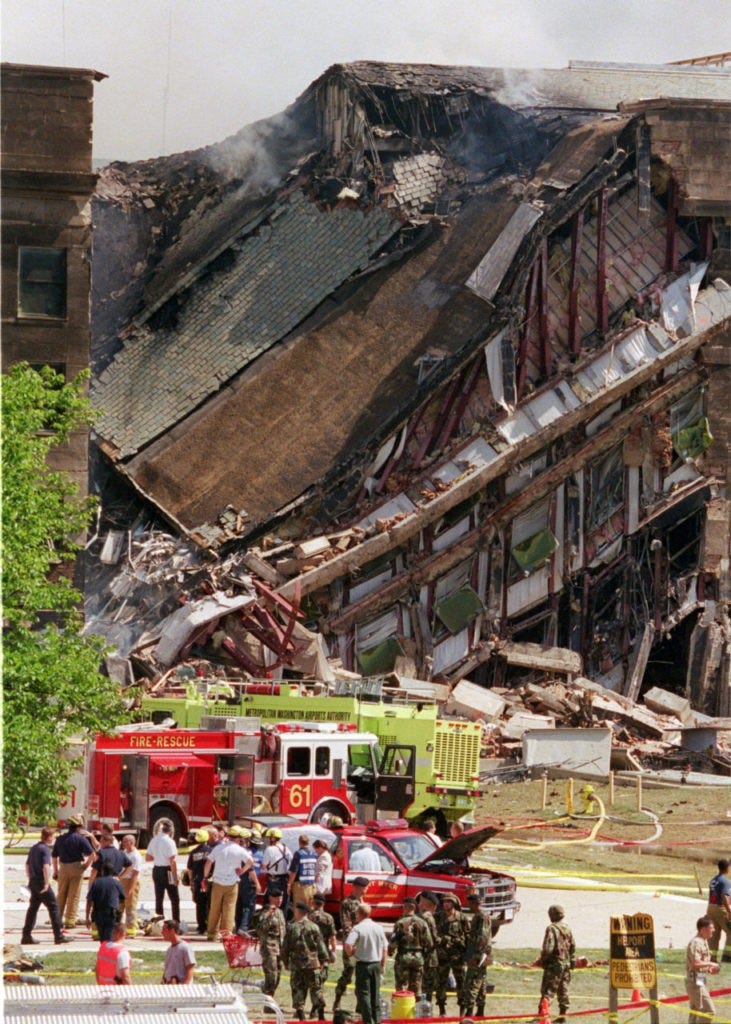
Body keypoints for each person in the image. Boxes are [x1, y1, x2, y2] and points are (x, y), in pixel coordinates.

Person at [22, 826, 73, 946]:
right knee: (54, 907)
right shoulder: (44, 849)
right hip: (41, 881)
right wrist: (46, 883)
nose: (53, 838)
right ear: (49, 837)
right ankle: (58, 936)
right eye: (53, 836)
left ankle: (26, 935)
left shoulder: (34, 848)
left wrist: (30, 879)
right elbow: (46, 866)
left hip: (34, 881)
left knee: (33, 908)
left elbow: (27, 865)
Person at [203, 825, 255, 941]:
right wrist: (242, 871)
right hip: (232, 883)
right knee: (229, 909)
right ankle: (226, 934)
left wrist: (205, 877)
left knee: (214, 908)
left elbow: (208, 862)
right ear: (239, 838)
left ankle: (212, 933)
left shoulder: (219, 848)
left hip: (217, 882)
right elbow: (251, 861)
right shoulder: (240, 850)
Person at [282, 901, 330, 1021]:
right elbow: (320, 946)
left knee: (298, 990)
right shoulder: (314, 927)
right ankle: (321, 1016)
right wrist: (324, 960)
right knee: (316, 989)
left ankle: (302, 1017)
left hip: (297, 965)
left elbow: (285, 948)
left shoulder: (292, 927)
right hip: (313, 964)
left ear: (298, 912)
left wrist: (285, 962)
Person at [344, 903, 388, 1024]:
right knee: (375, 993)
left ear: (358, 914)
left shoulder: (358, 928)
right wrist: (382, 964)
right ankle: (377, 1019)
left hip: (363, 964)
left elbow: (348, 945)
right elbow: (385, 948)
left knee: (363, 994)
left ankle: (368, 1020)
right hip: (376, 964)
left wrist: (351, 954)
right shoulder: (378, 927)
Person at [52, 815, 96, 929]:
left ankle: (56, 919)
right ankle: (70, 921)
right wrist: (85, 866)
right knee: (74, 895)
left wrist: (56, 871)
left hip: (63, 868)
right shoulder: (81, 839)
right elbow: (92, 855)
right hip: (76, 867)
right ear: (78, 827)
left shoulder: (60, 838)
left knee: (61, 894)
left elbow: (54, 856)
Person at [534, 905, 576, 1024]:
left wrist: (543, 960)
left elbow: (548, 948)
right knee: (563, 990)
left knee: (548, 990)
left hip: (554, 965)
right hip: (565, 964)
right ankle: (563, 1015)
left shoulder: (551, 929)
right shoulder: (567, 928)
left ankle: (541, 1016)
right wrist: (571, 961)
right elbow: (573, 946)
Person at [333, 876, 370, 1010]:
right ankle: (337, 1000)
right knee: (348, 973)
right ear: (357, 887)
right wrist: (351, 945)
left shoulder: (362, 902)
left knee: (361, 975)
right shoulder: (347, 903)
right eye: (364, 887)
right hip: (352, 944)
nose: (366, 889)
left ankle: (360, 1005)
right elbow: (346, 925)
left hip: (363, 944)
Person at [388, 895, 433, 998]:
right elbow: (429, 943)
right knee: (417, 986)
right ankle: (415, 1009)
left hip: (403, 957)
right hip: (418, 958)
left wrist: (390, 951)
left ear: (406, 907)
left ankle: (403, 1009)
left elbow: (393, 942)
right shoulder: (422, 923)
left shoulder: (400, 923)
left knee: (402, 985)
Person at [434, 892, 469, 1015]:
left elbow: (468, 936)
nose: (446, 904)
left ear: (454, 904)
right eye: (444, 902)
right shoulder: (437, 917)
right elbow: (433, 934)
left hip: (457, 956)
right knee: (440, 983)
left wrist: (468, 955)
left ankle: (462, 1010)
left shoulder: (461, 918)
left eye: (448, 902)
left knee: (461, 982)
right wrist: (442, 940)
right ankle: (442, 1009)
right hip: (442, 955)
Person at [460, 892, 492, 1017]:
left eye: (470, 903)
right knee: (481, 982)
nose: (469, 906)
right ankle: (480, 1010)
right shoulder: (480, 916)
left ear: (475, 903)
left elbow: (482, 938)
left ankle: (469, 1012)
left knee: (472, 982)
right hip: (480, 953)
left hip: (478, 954)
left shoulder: (481, 916)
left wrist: (476, 956)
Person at [686, 915, 720, 1024]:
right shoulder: (696, 943)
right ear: (703, 929)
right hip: (695, 982)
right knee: (709, 1011)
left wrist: (709, 969)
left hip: (700, 980)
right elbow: (695, 963)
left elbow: (700, 964)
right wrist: (711, 963)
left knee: (695, 1013)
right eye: (711, 928)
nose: (713, 930)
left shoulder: (703, 941)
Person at [255, 887, 287, 997]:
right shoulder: (265, 912)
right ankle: (267, 1000)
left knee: (277, 975)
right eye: (277, 899)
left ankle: (269, 999)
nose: (279, 901)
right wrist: (268, 915)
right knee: (271, 976)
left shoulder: (280, 912)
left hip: (279, 948)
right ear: (270, 898)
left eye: (281, 899)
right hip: (269, 948)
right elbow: (260, 928)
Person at [146, 821, 180, 922]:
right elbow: (172, 861)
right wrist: (175, 878)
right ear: (170, 831)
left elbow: (148, 858)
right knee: (174, 898)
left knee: (159, 898)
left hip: (156, 869)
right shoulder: (170, 842)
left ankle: (159, 921)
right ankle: (175, 921)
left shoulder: (154, 840)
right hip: (167, 871)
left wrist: (158, 857)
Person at [86, 860, 126, 942]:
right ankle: (108, 952)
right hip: (112, 914)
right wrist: (121, 915)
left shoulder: (96, 882)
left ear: (102, 871)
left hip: (98, 914)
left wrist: (87, 917)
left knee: (102, 937)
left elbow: (89, 900)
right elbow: (123, 900)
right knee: (110, 937)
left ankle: (104, 952)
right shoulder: (116, 883)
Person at [233, 827, 261, 934]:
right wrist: (257, 884)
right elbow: (251, 870)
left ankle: (238, 925)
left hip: (237, 881)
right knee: (248, 906)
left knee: (238, 905)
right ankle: (244, 927)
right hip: (247, 882)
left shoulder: (235, 851)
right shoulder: (246, 853)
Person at [261, 828, 292, 915]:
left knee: (273, 901)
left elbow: (264, 866)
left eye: (268, 837)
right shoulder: (286, 848)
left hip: (273, 879)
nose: (267, 839)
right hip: (284, 878)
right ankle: (283, 921)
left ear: (273, 838)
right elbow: (291, 861)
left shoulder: (269, 849)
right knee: (283, 901)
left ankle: (273, 920)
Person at [187, 828, 213, 935]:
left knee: (200, 904)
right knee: (209, 904)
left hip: (198, 881)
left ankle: (201, 926)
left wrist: (191, 882)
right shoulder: (211, 851)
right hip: (209, 880)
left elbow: (190, 869)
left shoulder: (193, 852)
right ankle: (209, 925)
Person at [417, 890, 440, 1004]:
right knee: (428, 986)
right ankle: (426, 1008)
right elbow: (434, 939)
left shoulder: (418, 917)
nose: (419, 904)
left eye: (420, 901)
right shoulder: (429, 918)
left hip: (419, 955)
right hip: (429, 957)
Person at [706, 858, 731, 962]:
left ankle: (712, 957)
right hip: (720, 908)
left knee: (714, 934)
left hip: (711, 907)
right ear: (727, 868)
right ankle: (727, 956)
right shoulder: (725, 881)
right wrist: (729, 911)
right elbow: (724, 896)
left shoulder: (713, 880)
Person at [119, 834, 144, 936]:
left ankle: (131, 930)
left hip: (131, 881)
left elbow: (135, 874)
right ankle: (118, 927)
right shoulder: (125, 852)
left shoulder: (136, 856)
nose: (123, 843)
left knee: (130, 906)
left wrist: (130, 890)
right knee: (120, 906)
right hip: (123, 881)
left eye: (125, 841)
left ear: (132, 843)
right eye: (123, 841)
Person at [288, 834, 318, 910]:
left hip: (300, 886)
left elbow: (294, 871)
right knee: (311, 908)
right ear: (308, 843)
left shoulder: (298, 854)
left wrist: (289, 885)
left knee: (299, 909)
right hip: (312, 885)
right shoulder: (314, 854)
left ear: (299, 842)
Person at [161, 919, 196, 984]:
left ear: (172, 931)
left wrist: (184, 988)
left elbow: (190, 968)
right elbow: (167, 970)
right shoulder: (169, 950)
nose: (162, 932)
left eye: (164, 930)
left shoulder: (185, 948)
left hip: (180, 988)